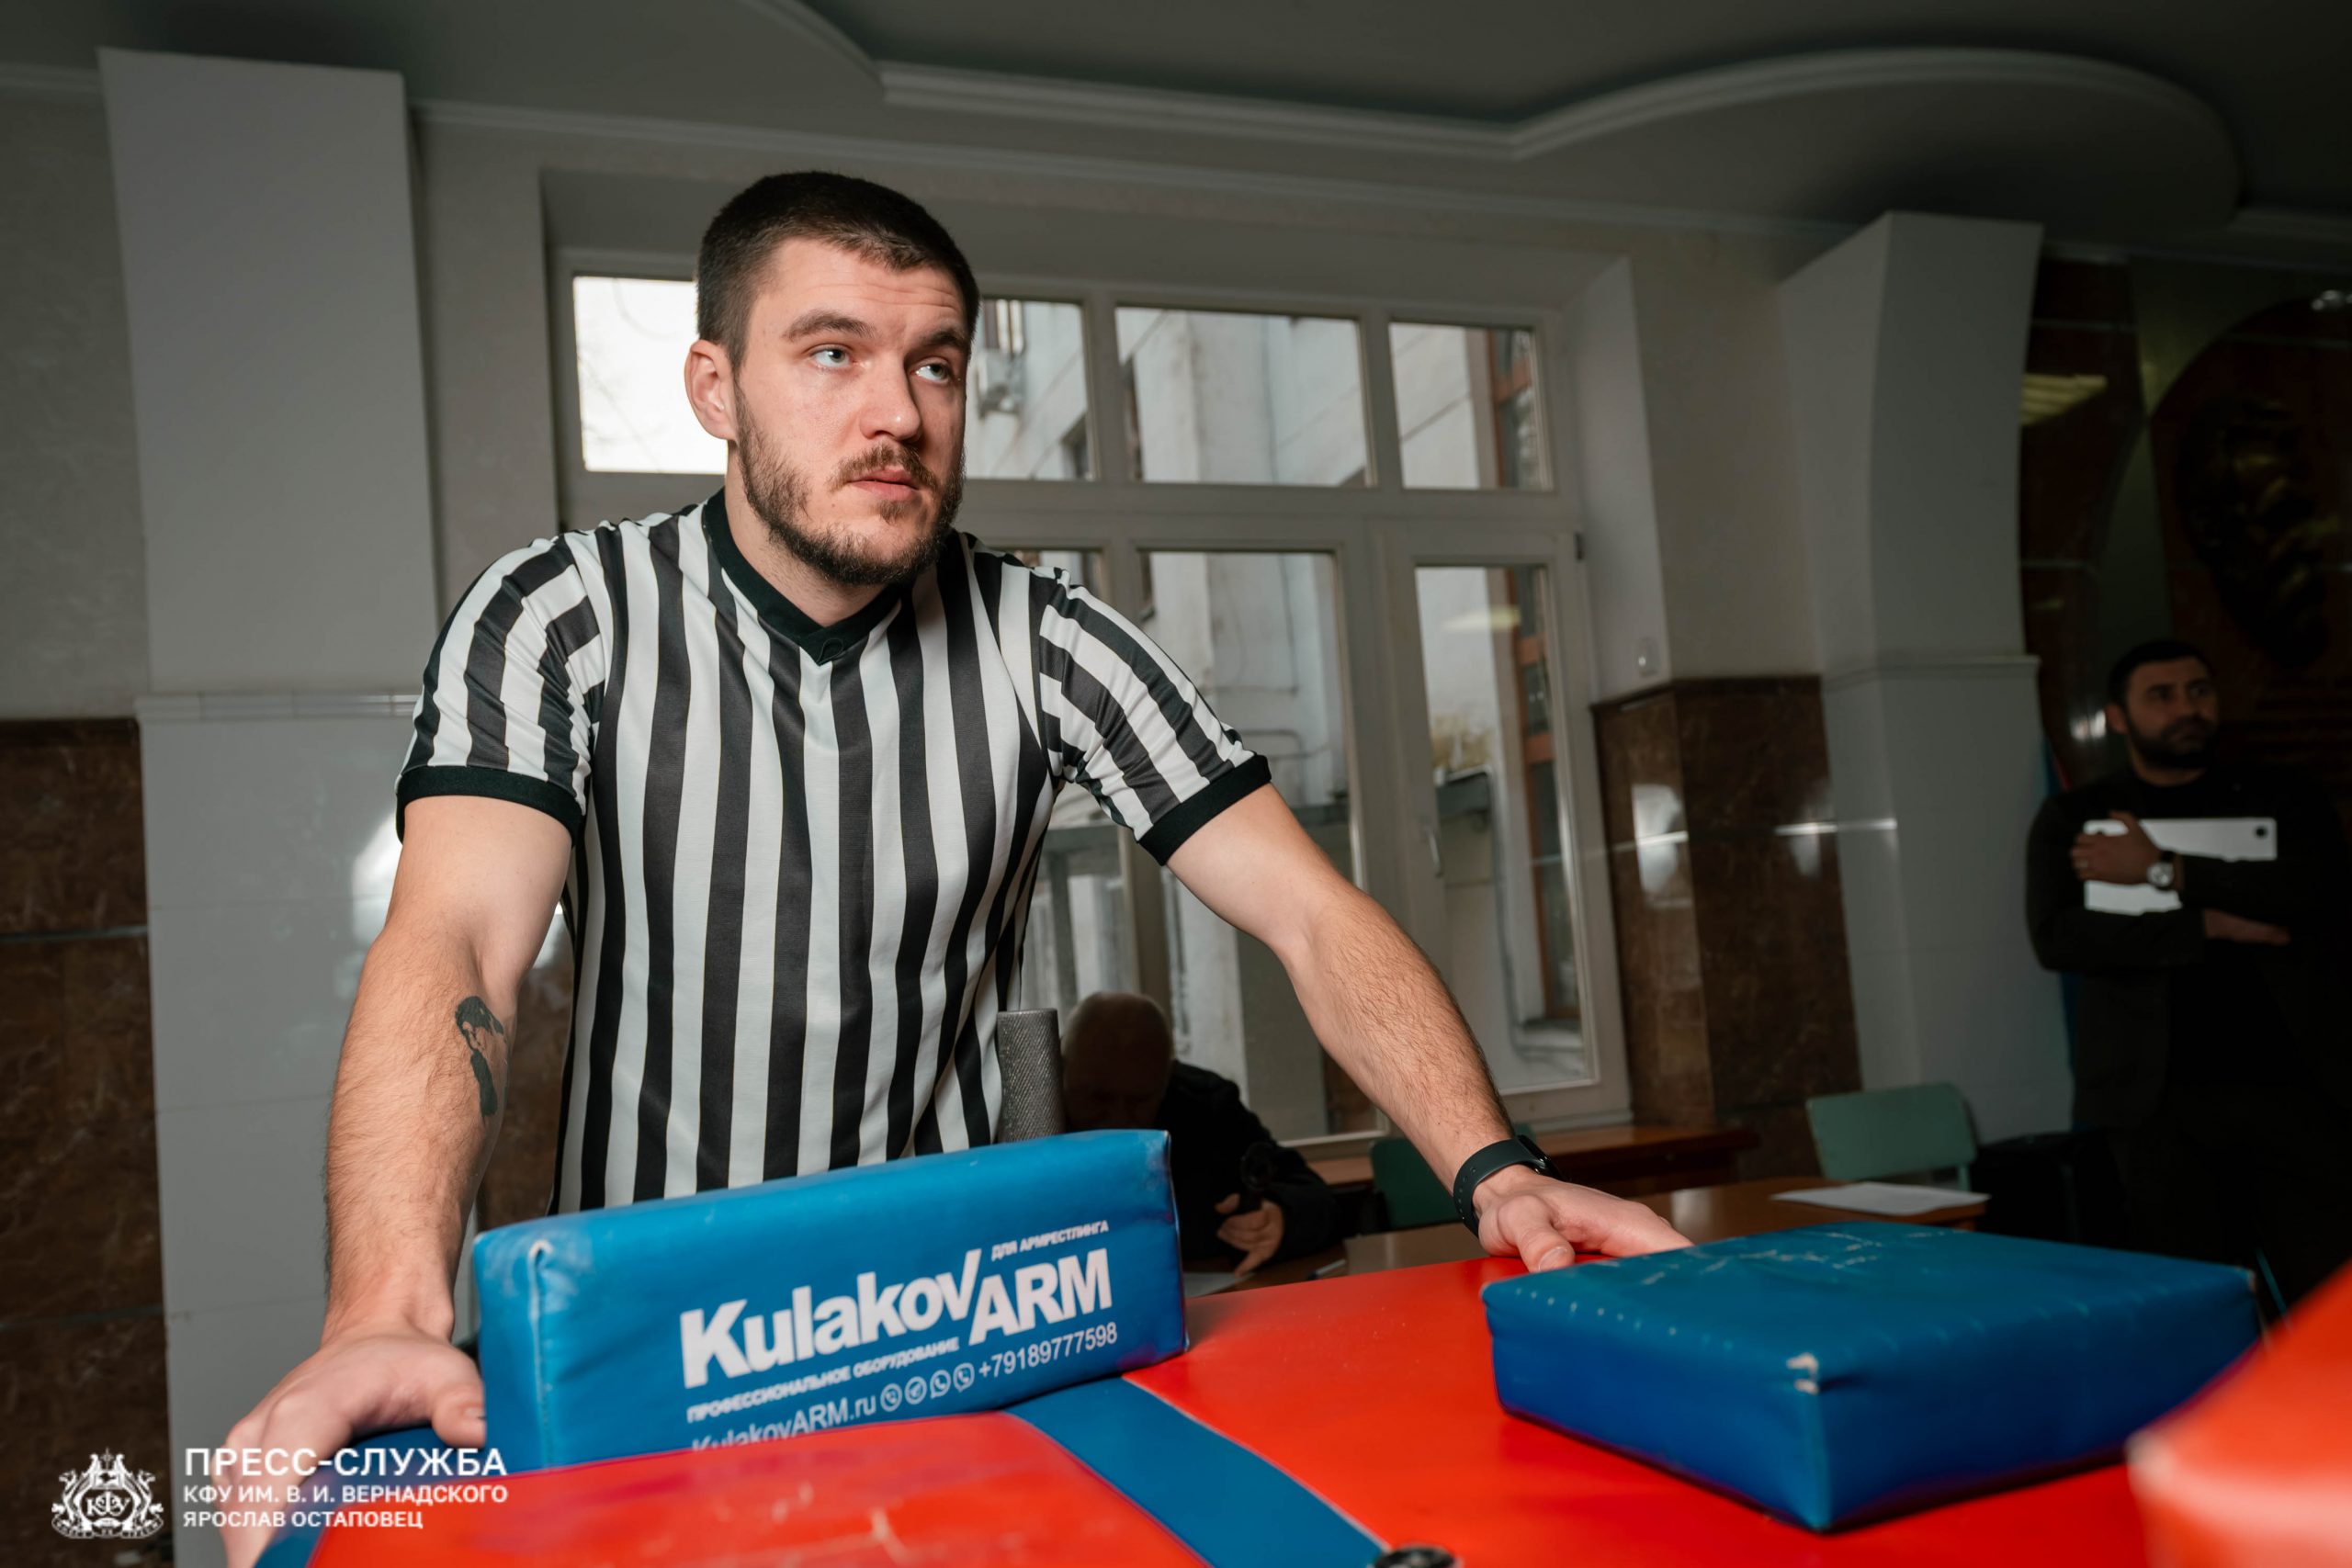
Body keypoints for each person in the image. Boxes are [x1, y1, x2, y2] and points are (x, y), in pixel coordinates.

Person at [219, 169, 1683, 1554]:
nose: (897, 412)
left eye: (935, 364)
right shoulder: (563, 615)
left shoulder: (1050, 638)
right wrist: (384, 1309)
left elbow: (1309, 912)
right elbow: (461, 940)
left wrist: (1498, 1169)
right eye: (832, 354)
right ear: (715, 387)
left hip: (950, 1330)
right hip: (648, 1335)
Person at [2027, 637, 2352, 1306]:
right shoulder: (2077, 816)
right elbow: (2059, 937)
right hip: (2154, 1103)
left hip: (2296, 1086)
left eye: (2199, 691)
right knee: (2194, 1301)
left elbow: (2317, 896)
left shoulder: (2285, 797)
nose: (2187, 709)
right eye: (2162, 695)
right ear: (2118, 717)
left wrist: (2165, 870)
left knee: (2328, 1293)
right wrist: (2208, 924)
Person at [1062, 991, 1342, 1275]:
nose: (1118, 1118)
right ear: (1059, 1068)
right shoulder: (1035, 1115)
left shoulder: (1208, 1107)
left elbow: (1315, 1198)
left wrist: (1280, 1219)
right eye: (1096, 1098)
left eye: (1139, 1101)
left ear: (1167, 1078)